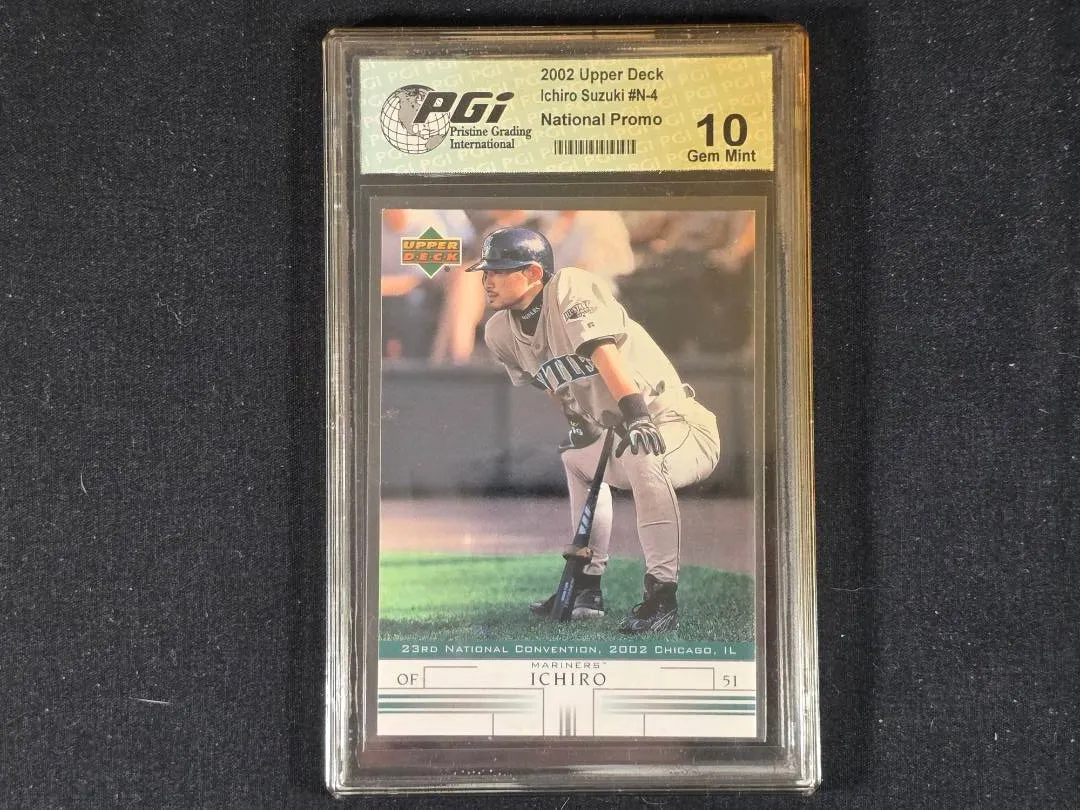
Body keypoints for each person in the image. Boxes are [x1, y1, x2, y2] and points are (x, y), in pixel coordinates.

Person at [468, 227, 721, 634]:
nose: (487, 280)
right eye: (486, 271)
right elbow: (552, 383)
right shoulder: (500, 332)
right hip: (622, 435)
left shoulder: (569, 285)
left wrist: (637, 415)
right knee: (576, 459)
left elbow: (604, 354)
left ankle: (662, 597)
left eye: (499, 270)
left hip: (676, 422)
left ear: (533, 273)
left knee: (645, 455)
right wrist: (578, 422)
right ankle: (587, 588)